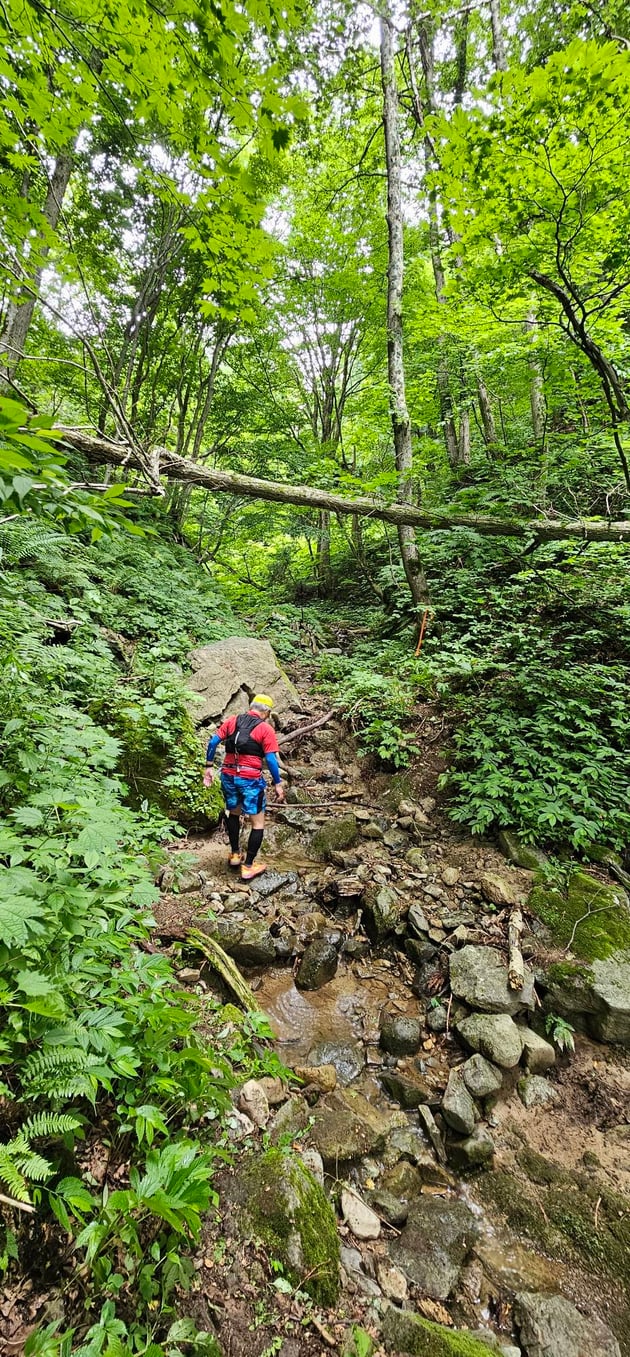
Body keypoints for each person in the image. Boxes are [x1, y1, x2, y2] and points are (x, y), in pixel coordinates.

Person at [203, 694, 286, 881]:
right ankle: (248, 866)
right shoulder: (265, 729)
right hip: (250, 780)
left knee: (234, 812)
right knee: (258, 823)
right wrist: (278, 783)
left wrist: (208, 767)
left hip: (229, 776)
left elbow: (213, 742)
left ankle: (234, 855)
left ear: (252, 707)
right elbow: (271, 760)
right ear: (266, 712)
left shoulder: (233, 721)